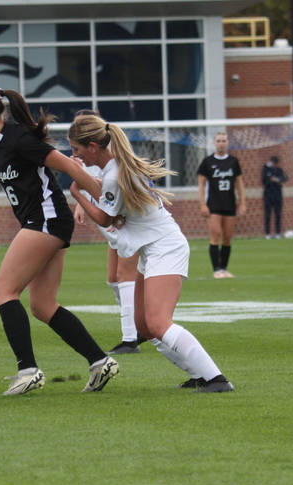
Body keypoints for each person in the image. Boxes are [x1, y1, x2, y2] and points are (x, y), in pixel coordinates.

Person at [0, 83, 119, 395]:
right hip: (46, 222)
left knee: (3, 291)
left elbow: (71, 166)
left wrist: (108, 201)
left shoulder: (20, 139)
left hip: (45, 220)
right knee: (43, 306)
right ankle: (99, 361)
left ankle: (28, 370)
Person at [67, 115, 235, 393]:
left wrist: (76, 191)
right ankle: (199, 375)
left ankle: (217, 379)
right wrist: (84, 182)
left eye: (77, 149)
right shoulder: (114, 168)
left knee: (158, 322)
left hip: (166, 247)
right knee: (144, 326)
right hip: (154, 247)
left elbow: (105, 218)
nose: (75, 155)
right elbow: (106, 194)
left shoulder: (113, 172)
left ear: (94, 147)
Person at [71, 109, 144, 355]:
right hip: (114, 223)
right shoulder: (88, 156)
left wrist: (78, 196)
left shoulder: (109, 156)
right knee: (113, 279)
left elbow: (106, 203)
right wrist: (81, 202)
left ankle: (131, 339)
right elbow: (99, 187)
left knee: (125, 277)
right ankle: (138, 325)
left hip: (129, 226)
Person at [197, 132, 245, 278]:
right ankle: (216, 270)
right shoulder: (207, 162)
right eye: (218, 141)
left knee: (227, 238)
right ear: (214, 143)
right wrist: (203, 204)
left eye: (223, 140)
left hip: (229, 203)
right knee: (215, 235)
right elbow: (201, 184)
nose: (221, 143)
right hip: (214, 204)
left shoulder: (233, 162)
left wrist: (242, 202)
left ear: (228, 143)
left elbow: (239, 183)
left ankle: (224, 268)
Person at [262, 155, 288, 239]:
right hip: (268, 195)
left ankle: (278, 233)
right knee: (268, 214)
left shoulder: (279, 170)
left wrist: (276, 180)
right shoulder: (265, 169)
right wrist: (272, 180)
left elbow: (284, 178)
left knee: (278, 214)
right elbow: (265, 180)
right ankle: (267, 234)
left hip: (277, 194)